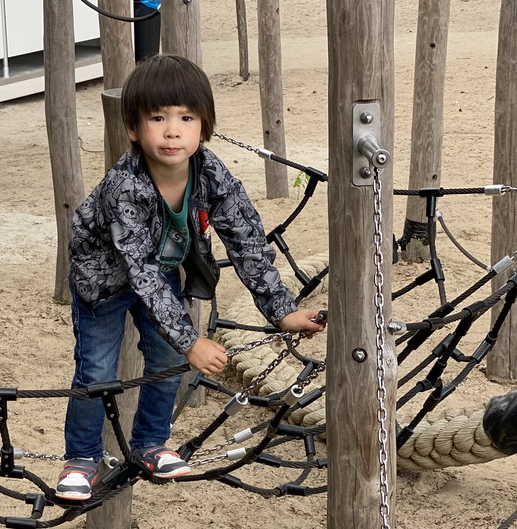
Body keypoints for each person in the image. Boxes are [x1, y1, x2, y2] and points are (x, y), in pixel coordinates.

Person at [56, 54, 324, 501]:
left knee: (166, 362)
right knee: (97, 370)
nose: (172, 130)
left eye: (186, 117)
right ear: (132, 129)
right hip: (102, 283)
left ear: (205, 126)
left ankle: (150, 444)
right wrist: (191, 339)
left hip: (159, 275)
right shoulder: (127, 187)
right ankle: (80, 458)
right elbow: (137, 270)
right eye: (157, 118)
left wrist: (282, 311)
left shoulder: (211, 172)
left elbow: (246, 240)